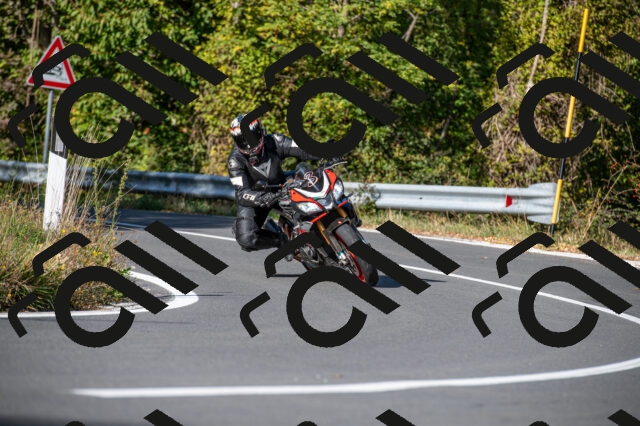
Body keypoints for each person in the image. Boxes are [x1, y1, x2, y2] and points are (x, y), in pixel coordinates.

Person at [227, 114, 332, 252]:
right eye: (242, 140)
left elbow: (304, 149)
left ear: (260, 132)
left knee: (312, 183)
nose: (248, 145)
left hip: (281, 186)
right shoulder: (235, 161)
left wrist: (328, 151)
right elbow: (242, 194)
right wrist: (261, 198)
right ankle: (282, 240)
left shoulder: (275, 141)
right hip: (256, 199)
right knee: (246, 239)